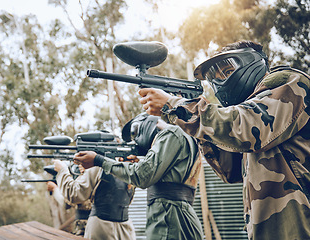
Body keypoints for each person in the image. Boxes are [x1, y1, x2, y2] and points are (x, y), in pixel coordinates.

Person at [137, 40, 310, 239]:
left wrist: (176, 106)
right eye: (215, 78)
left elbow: (248, 128)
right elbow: (230, 170)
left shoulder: (289, 81)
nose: (221, 81)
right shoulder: (249, 114)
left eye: (227, 70)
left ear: (253, 63)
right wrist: (200, 128)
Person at [74, 112, 204, 240]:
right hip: (181, 216)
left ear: (145, 126)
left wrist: (99, 161)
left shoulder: (170, 134)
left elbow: (142, 176)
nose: (135, 140)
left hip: (168, 217)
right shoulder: (186, 137)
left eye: (135, 134)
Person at [53, 157, 136, 240]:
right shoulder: (128, 165)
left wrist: (62, 170)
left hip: (102, 226)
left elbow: (73, 194)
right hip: (124, 226)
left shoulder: (97, 163)